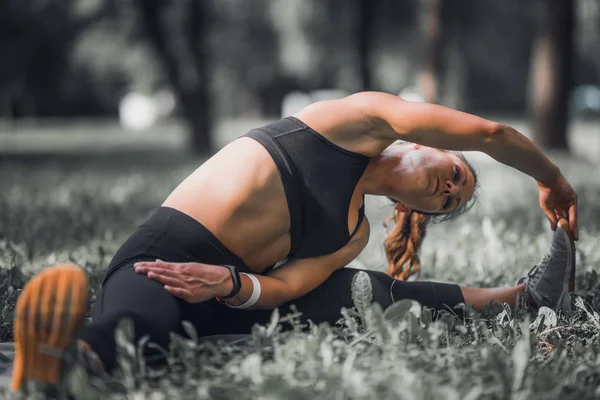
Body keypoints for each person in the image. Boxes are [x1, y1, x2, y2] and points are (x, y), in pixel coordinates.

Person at [11, 91, 578, 394]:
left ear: (417, 210)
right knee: (142, 333)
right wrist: (551, 177)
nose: (449, 188)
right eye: (455, 171)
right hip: (165, 257)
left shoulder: (352, 231)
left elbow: (287, 286)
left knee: (361, 289)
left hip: (227, 297)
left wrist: (231, 283)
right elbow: (491, 134)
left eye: (450, 201)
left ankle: (523, 300)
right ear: (425, 143)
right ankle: (62, 362)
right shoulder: (355, 120)